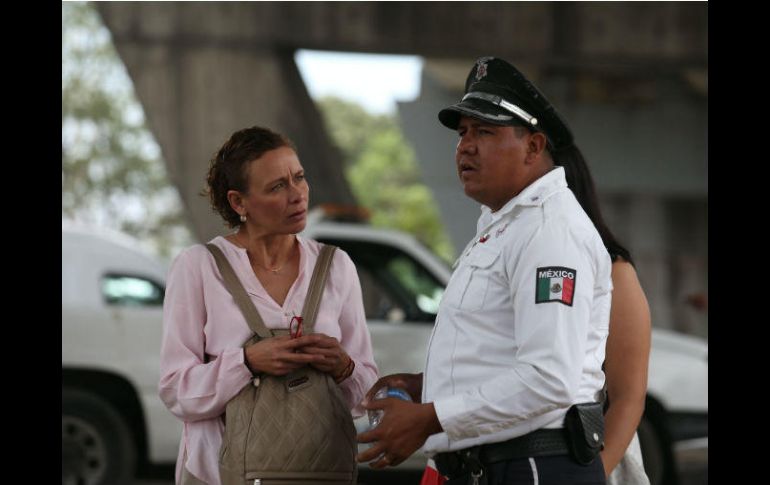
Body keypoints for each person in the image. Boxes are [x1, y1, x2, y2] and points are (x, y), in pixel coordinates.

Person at [356, 56, 613, 484]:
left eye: (486, 132)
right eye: (463, 133)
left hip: (532, 466)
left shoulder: (549, 231)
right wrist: (431, 386)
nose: (466, 147)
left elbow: (549, 378)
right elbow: (498, 351)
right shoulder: (506, 224)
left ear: (533, 146)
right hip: (494, 465)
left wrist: (431, 417)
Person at [158, 126, 378, 485]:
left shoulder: (336, 266)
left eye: (299, 178)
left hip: (319, 473)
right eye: (277, 187)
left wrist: (343, 366)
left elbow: (365, 396)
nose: (297, 195)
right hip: (221, 474)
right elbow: (176, 391)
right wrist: (247, 362)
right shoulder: (199, 266)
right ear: (238, 202)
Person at [556, 129, 652, 483]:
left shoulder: (615, 270)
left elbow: (628, 397)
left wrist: (592, 475)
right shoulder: (502, 252)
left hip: (580, 458)